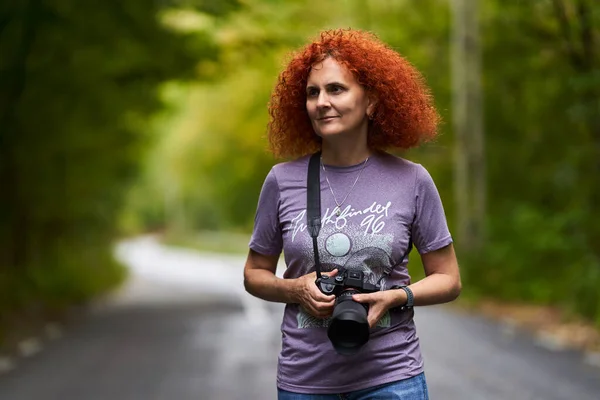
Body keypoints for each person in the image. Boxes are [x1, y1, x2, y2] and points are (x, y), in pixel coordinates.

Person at [243, 28, 461, 399]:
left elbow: (449, 279)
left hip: (393, 377)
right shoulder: (282, 180)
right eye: (313, 92)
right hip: (306, 380)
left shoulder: (412, 180)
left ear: (372, 101)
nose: (321, 102)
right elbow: (254, 273)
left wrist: (395, 297)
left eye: (336, 89)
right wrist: (294, 289)